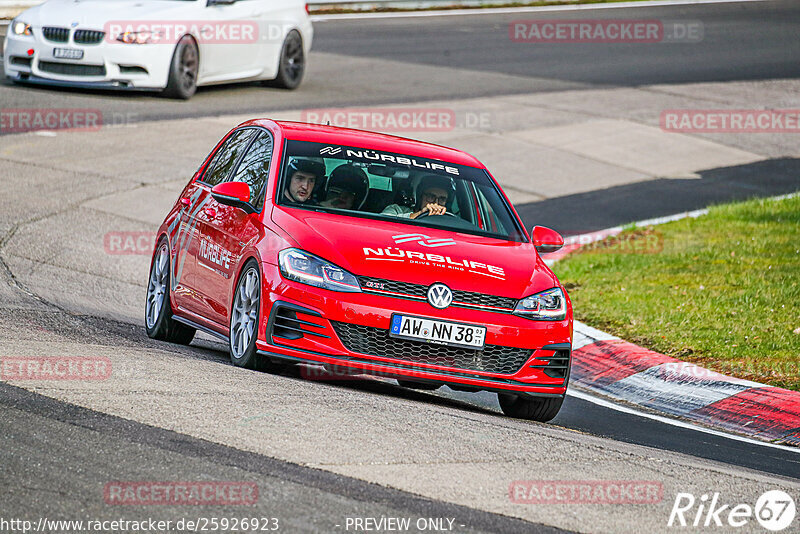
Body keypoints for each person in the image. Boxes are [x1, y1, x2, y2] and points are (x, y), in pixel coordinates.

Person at [382, 174, 452, 219]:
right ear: (420, 196)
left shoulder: (452, 221)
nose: (436, 203)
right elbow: (381, 224)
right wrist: (421, 213)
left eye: (442, 199)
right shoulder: (396, 210)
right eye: (431, 196)